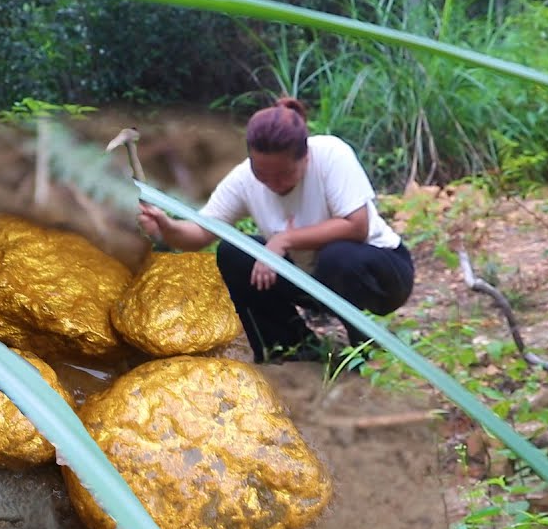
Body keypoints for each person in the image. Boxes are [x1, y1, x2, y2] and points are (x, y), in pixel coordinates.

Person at [138, 97, 415, 363]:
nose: (273, 183)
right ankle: (291, 348)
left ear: (305, 157)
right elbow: (200, 234)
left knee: (338, 257)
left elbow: (357, 225)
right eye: (263, 174)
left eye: (284, 174)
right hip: (312, 280)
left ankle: (368, 351)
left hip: (382, 274)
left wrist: (283, 240)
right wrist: (166, 226)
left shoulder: (331, 154)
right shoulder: (244, 179)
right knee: (235, 253)